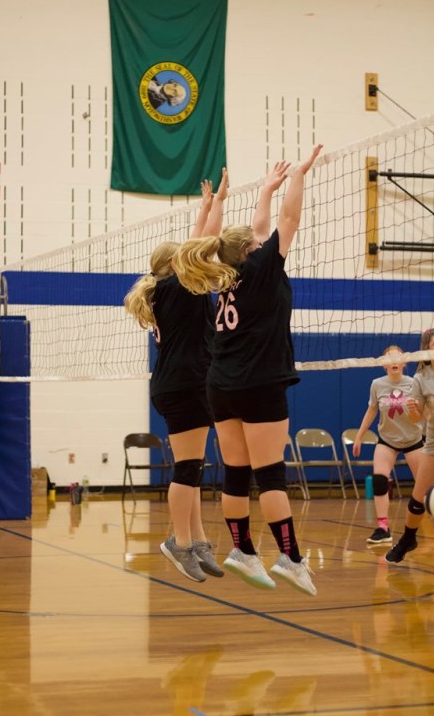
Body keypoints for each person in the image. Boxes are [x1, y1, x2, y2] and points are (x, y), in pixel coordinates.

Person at [173, 144, 323, 595]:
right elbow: (289, 220)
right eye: (258, 242)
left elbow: (258, 229)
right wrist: (297, 176)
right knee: (271, 474)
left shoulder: (225, 273)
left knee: (237, 473)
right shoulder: (263, 266)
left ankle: (242, 550)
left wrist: (266, 191)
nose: (264, 240)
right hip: (260, 382)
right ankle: (291, 558)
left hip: (221, 385)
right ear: (251, 251)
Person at [124, 170, 229, 583]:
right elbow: (205, 243)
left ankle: (198, 540)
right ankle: (179, 542)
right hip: (183, 385)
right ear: (176, 265)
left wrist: (205, 207)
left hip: (187, 383)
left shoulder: (180, 289)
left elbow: (197, 243)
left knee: (194, 467)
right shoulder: (177, 288)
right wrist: (218, 204)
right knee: (187, 468)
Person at [353, 346, 423, 545]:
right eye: (388, 358)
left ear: (404, 362)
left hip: (413, 439)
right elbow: (371, 411)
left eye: (397, 357)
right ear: (383, 364)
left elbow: (421, 414)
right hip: (387, 440)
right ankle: (383, 529)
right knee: (379, 480)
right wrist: (359, 437)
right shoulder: (377, 384)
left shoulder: (414, 383)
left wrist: (414, 411)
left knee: (426, 486)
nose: (393, 361)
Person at [386, 327, 434, 562]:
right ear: (427, 349)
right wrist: (412, 410)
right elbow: (417, 419)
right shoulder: (421, 378)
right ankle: (408, 539)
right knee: (417, 499)